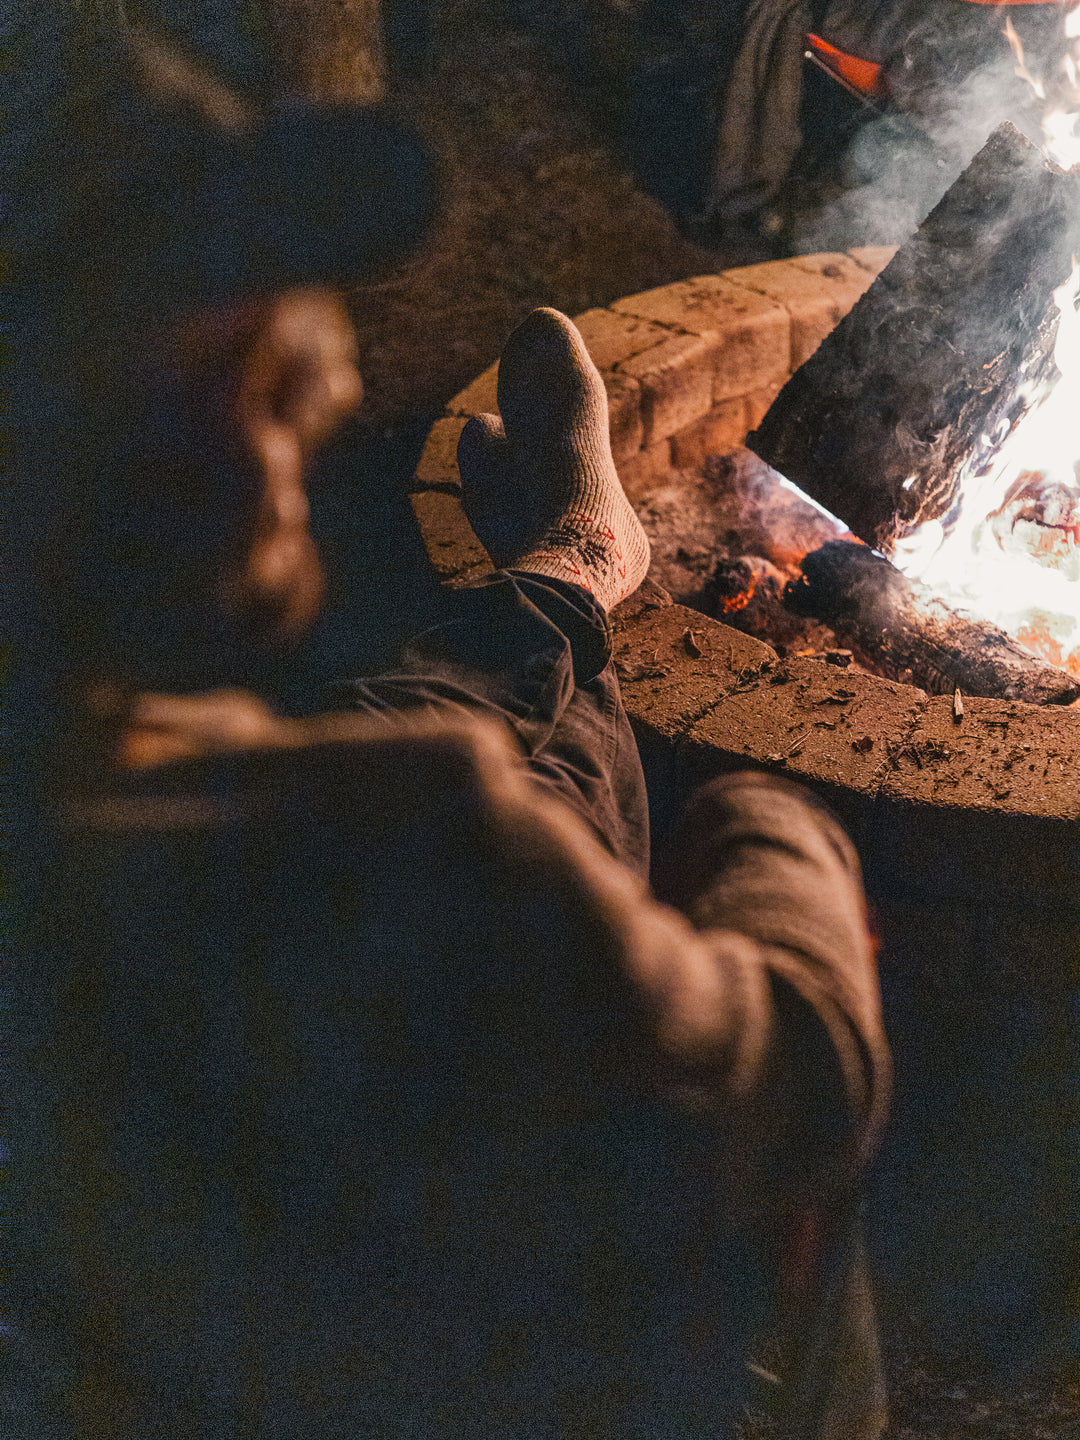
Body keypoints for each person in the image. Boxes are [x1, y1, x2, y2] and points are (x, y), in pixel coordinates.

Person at [16, 20, 890, 1440]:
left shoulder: (97, 777)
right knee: (541, 811)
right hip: (470, 1358)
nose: (319, 398)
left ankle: (565, 577)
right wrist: (767, 821)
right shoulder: (385, 854)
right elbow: (803, 1073)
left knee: (447, 722)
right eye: (215, 373)